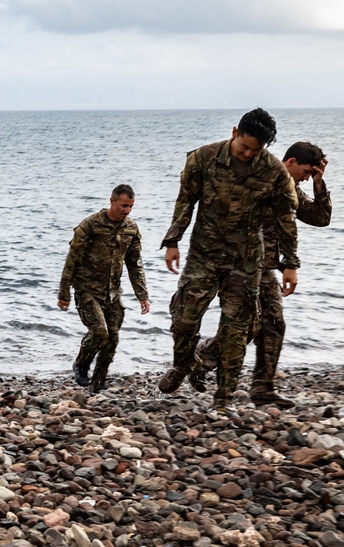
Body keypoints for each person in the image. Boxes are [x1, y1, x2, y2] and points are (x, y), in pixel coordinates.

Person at [159, 109, 299, 412]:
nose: (248, 154)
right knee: (183, 319)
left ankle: (223, 399)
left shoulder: (274, 172)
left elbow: (287, 219)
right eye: (243, 147)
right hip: (203, 255)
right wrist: (172, 240)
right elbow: (185, 201)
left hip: (245, 261)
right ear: (235, 132)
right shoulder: (203, 158)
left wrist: (290, 263)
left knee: (237, 330)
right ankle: (183, 364)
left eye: (255, 150)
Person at [190, 142, 331, 407]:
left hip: (266, 269)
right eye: (306, 172)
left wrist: (319, 184)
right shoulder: (259, 179)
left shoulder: (292, 189)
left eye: (311, 175)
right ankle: (203, 357)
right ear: (289, 162)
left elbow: (320, 218)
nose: (306, 177)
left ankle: (262, 388)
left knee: (274, 325)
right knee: (247, 326)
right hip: (238, 266)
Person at [58, 185, 150, 392]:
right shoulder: (90, 225)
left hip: (113, 292)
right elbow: (72, 260)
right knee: (100, 332)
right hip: (87, 289)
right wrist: (64, 293)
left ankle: (98, 382)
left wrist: (142, 295)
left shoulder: (131, 229)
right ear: (112, 201)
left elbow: (134, 263)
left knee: (113, 339)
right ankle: (81, 365)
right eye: (124, 205)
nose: (127, 210)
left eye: (131, 207)